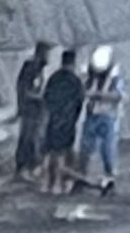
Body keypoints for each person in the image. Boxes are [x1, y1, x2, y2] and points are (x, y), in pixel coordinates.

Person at [79, 45, 124, 194]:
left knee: (107, 150)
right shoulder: (89, 75)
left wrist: (98, 95)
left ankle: (109, 179)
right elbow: (83, 89)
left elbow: (118, 96)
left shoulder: (114, 78)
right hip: (91, 115)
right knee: (85, 148)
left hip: (107, 117)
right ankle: (82, 177)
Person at [42, 48, 85, 195]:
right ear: (73, 63)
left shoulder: (53, 78)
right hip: (67, 121)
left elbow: (46, 98)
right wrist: (73, 117)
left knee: (48, 152)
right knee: (62, 154)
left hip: (52, 120)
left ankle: (45, 183)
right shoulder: (75, 81)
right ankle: (58, 184)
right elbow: (80, 101)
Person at [14, 41, 51, 180]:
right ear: (40, 54)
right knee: (28, 138)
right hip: (30, 109)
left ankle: (30, 168)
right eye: (47, 54)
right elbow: (24, 89)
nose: (48, 58)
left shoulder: (40, 69)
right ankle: (23, 168)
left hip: (37, 109)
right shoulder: (31, 68)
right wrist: (40, 97)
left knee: (36, 138)